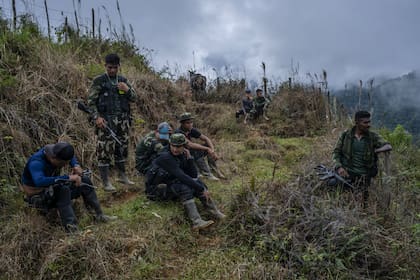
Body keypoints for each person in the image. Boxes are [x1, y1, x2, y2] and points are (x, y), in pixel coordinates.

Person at [21, 142, 116, 233]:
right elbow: (39, 181)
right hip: (37, 196)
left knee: (85, 180)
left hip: (52, 188)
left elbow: (71, 157)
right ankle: (72, 230)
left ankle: (99, 215)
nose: (66, 165)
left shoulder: (56, 150)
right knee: (63, 190)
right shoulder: (36, 162)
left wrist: (76, 165)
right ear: (54, 158)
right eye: (63, 163)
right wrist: (68, 178)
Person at [145, 133, 225, 230]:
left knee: (198, 182)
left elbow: (193, 175)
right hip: (155, 190)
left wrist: (190, 159)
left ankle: (214, 212)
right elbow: (181, 176)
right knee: (185, 187)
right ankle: (196, 222)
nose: (175, 149)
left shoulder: (182, 154)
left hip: (170, 184)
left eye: (178, 146)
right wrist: (200, 188)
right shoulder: (165, 156)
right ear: (170, 144)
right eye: (173, 146)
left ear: (184, 146)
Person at [87, 53, 137, 192]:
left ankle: (122, 176)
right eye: (110, 67)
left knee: (121, 147)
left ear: (119, 67)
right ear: (105, 66)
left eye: (115, 67)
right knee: (104, 150)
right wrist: (97, 117)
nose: (112, 70)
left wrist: (127, 90)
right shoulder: (100, 81)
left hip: (123, 120)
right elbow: (91, 102)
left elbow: (134, 98)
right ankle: (106, 182)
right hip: (106, 120)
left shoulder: (122, 80)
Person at [332, 111, 392, 206]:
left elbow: (388, 146)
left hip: (364, 176)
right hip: (347, 173)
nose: (368, 125)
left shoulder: (372, 137)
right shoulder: (346, 135)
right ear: (357, 123)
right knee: (334, 188)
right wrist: (339, 167)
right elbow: (336, 152)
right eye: (365, 122)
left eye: (369, 122)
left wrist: (377, 151)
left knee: (362, 204)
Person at [174, 112, 223, 180]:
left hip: (189, 153)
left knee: (207, 145)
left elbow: (206, 138)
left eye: (191, 122)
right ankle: (207, 174)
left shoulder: (191, 129)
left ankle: (213, 168)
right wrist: (207, 149)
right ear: (182, 124)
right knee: (196, 150)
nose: (190, 124)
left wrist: (212, 150)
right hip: (180, 154)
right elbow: (190, 145)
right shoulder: (178, 132)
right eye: (188, 123)